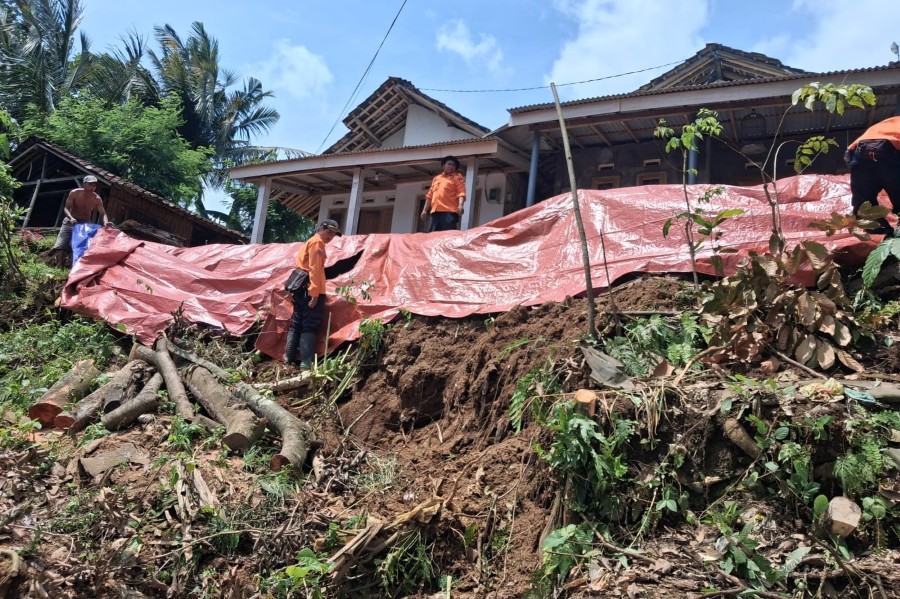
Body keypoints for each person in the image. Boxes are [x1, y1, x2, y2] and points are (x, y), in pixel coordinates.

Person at [284, 219, 342, 367]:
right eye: (329, 232)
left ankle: (288, 360)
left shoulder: (310, 242)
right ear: (321, 228)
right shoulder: (317, 243)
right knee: (310, 324)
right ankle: (306, 364)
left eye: (334, 234)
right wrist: (315, 293)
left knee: (297, 323)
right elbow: (314, 270)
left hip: (301, 288)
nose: (331, 236)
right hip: (310, 290)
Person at [846, 116, 900, 236]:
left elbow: (849, 155)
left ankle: (879, 232)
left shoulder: (888, 123)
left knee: (864, 202)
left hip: (858, 151)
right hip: (890, 149)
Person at [49, 175, 111, 266]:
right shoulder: (74, 193)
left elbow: (103, 213)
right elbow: (66, 208)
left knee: (84, 246)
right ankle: (60, 265)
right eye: (90, 184)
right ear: (84, 184)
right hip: (70, 221)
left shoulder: (97, 199)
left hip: (84, 224)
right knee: (61, 245)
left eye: (94, 185)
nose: (92, 187)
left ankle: (76, 265)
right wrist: (71, 218)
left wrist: (106, 222)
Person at [420, 155, 466, 232]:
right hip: (435, 212)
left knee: (448, 236)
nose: (451, 166)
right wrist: (424, 210)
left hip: (449, 212)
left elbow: (461, 192)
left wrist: (460, 205)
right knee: (434, 237)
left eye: (453, 165)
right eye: (449, 164)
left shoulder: (457, 178)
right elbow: (429, 196)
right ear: (443, 166)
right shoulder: (436, 179)